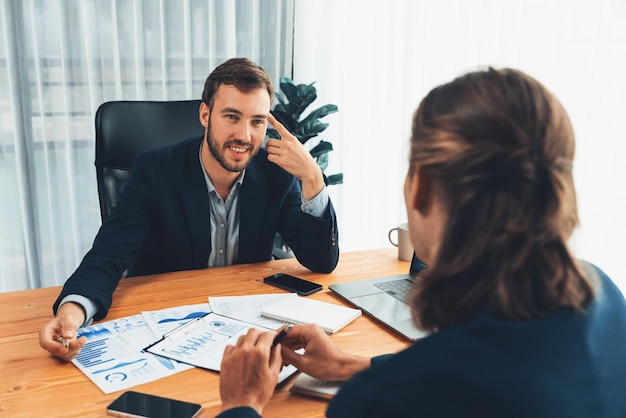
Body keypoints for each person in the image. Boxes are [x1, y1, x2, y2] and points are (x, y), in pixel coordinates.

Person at [216, 68, 626, 417]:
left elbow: (449, 380)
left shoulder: (386, 401)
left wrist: (242, 403)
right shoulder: (604, 293)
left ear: (421, 188)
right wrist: (353, 364)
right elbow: (484, 371)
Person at [39, 57, 340, 361]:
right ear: (205, 114)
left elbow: (320, 261)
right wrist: (71, 314)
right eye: (232, 117)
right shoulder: (155, 170)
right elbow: (108, 255)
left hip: (244, 328)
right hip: (167, 325)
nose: (245, 136)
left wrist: (312, 177)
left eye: (257, 121)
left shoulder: (276, 174)